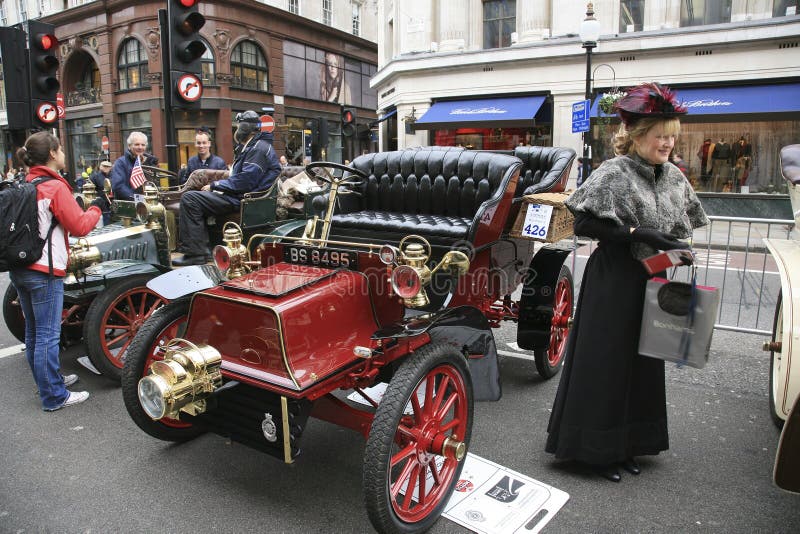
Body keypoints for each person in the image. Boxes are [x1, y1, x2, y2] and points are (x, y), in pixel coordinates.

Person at [545, 83, 709, 482]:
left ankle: (629, 444)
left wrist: (677, 249)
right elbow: (582, 222)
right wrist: (638, 234)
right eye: (660, 135)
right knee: (608, 363)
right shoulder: (612, 172)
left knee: (644, 363)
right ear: (637, 136)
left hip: (655, 276)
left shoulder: (672, 177)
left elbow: (681, 222)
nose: (668, 142)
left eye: (672, 135)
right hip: (615, 279)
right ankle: (596, 451)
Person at [10, 132, 103, 411]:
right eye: (60, 149)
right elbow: (79, 226)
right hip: (44, 270)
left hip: (21, 269)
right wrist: (97, 209)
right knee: (48, 335)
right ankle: (54, 395)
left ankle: (48, 382)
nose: (63, 153)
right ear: (52, 154)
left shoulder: (25, 182)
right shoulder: (54, 187)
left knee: (34, 333)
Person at [173, 110, 282, 266]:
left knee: (190, 198)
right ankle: (203, 250)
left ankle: (196, 254)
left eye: (239, 125)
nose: (236, 130)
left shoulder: (258, 148)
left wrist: (215, 185)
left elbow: (245, 182)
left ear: (245, 127)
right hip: (241, 196)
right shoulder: (256, 146)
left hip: (245, 199)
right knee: (195, 197)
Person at [110, 131, 159, 201]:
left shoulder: (151, 162)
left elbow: (156, 185)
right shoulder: (120, 163)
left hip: (151, 202)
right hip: (129, 205)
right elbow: (119, 187)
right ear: (129, 146)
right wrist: (139, 199)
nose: (140, 147)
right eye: (136, 144)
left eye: (143, 145)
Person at [90, 161, 114, 225]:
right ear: (100, 166)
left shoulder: (114, 175)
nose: (106, 168)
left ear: (111, 168)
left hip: (113, 200)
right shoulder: (95, 176)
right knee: (105, 219)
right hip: (102, 201)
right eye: (104, 166)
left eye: (108, 166)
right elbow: (91, 189)